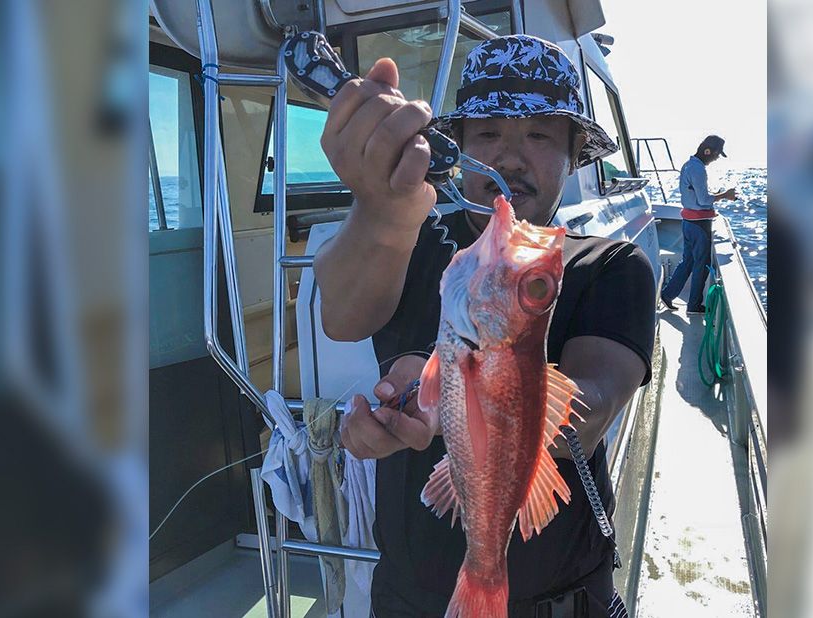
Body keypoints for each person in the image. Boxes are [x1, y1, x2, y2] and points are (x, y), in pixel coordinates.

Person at [314, 35, 655, 617]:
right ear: (460, 147)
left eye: (540, 136)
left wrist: (464, 399)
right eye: (489, 133)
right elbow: (342, 317)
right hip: (408, 598)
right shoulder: (410, 242)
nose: (510, 157)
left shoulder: (612, 265)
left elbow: (588, 415)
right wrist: (378, 206)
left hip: (559, 602)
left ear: (574, 156)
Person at [659, 135, 737, 313]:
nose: (716, 158)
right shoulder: (698, 168)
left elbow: (696, 196)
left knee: (688, 261)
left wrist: (715, 195)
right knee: (701, 265)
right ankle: (694, 305)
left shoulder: (689, 165)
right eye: (716, 154)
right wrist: (725, 195)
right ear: (707, 150)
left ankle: (668, 294)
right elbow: (703, 200)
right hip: (699, 224)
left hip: (688, 222)